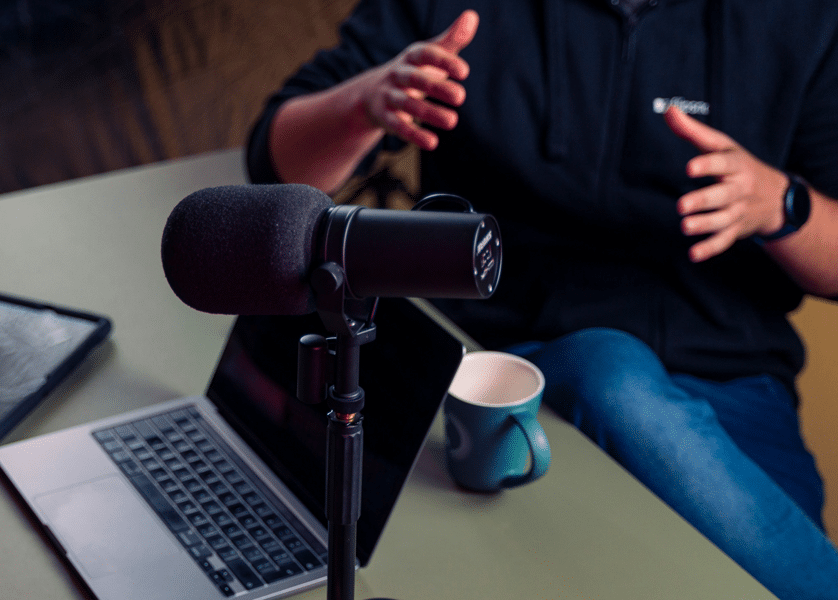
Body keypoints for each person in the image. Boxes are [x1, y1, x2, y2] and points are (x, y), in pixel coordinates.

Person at [247, 1, 838, 597]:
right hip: (490, 372)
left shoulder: (805, 19)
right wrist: (364, 103)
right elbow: (274, 169)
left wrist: (784, 203)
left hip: (728, 388)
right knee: (610, 371)